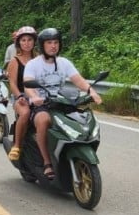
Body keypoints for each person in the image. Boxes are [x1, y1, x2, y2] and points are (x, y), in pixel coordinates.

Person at [23, 28, 103, 180]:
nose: (53, 46)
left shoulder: (64, 63)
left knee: (81, 117)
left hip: (60, 102)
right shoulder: (33, 64)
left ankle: (75, 152)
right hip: (41, 104)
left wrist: (91, 91)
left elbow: (78, 80)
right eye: (49, 43)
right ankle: (47, 163)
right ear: (42, 45)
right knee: (43, 120)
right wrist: (34, 97)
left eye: (56, 42)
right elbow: (27, 85)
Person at [5, 26, 37, 161]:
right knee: (25, 113)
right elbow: (12, 83)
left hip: (39, 96)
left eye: (29, 40)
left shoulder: (40, 59)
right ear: (18, 43)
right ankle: (17, 145)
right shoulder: (15, 61)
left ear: (34, 42)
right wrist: (19, 96)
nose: (27, 43)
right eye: (23, 40)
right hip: (21, 97)